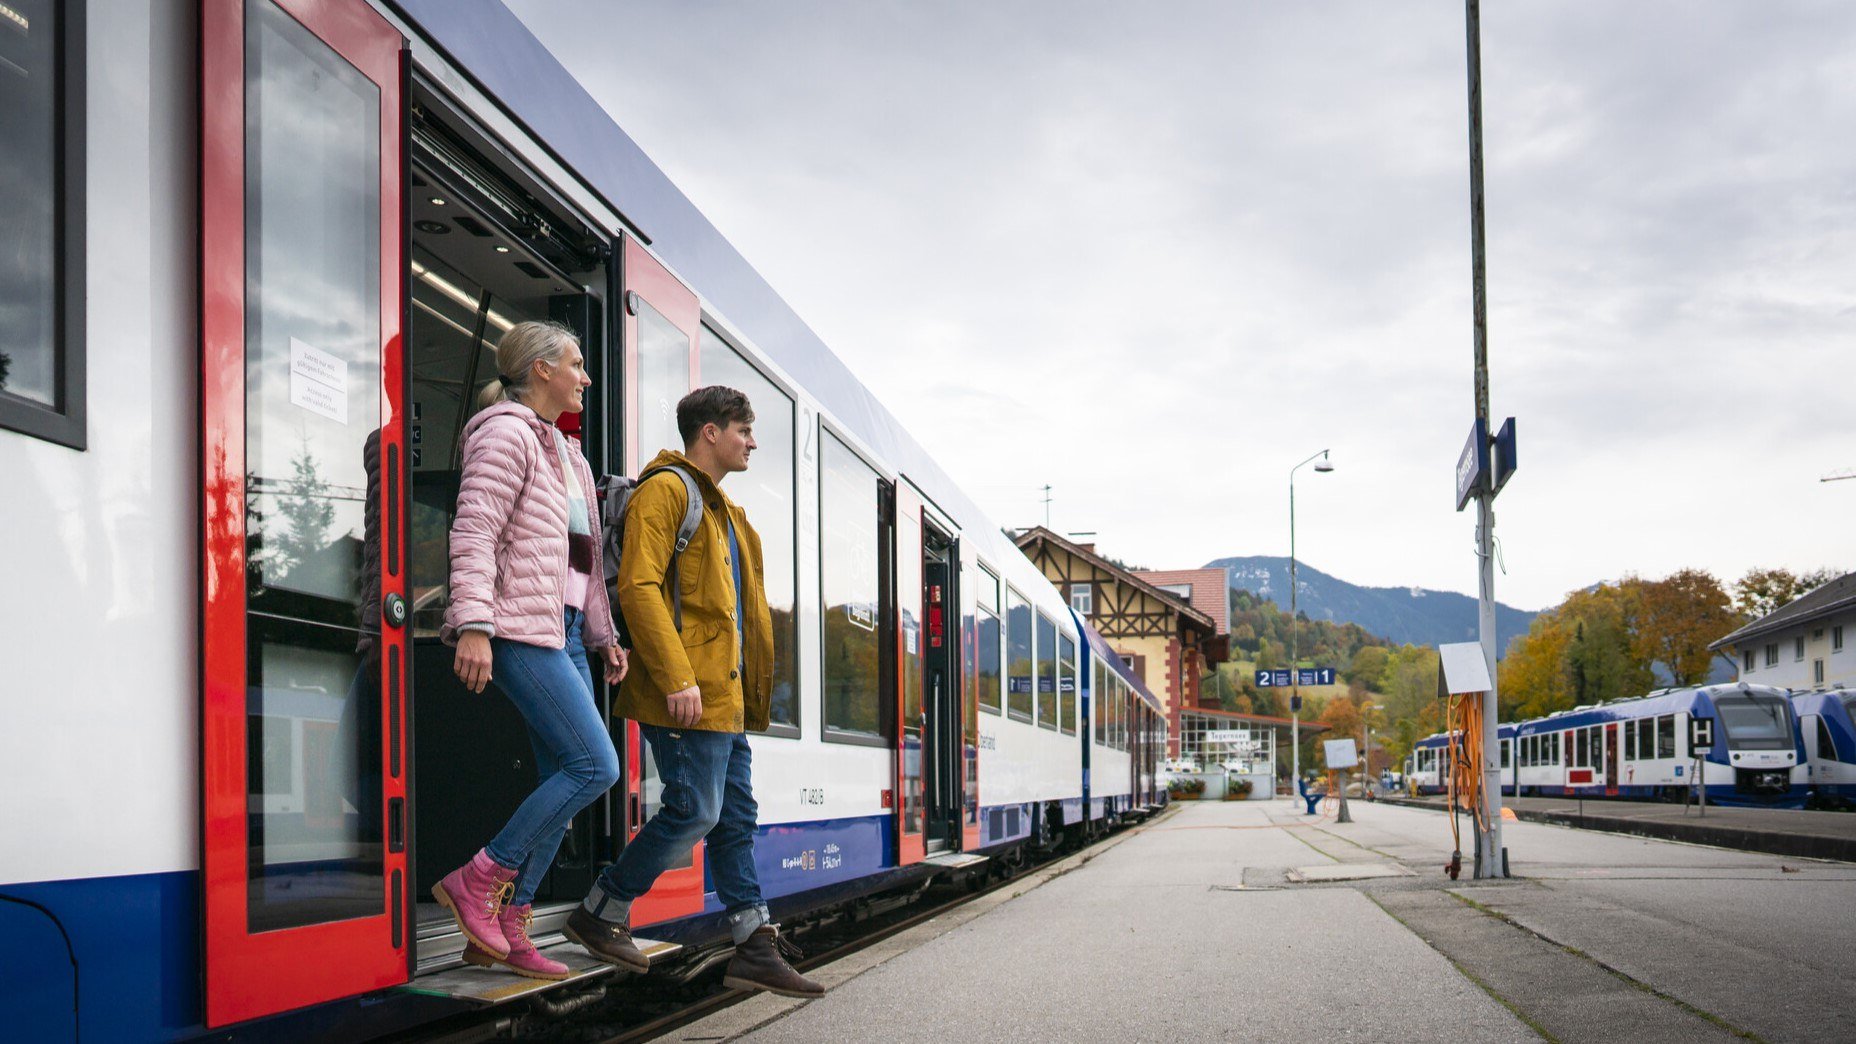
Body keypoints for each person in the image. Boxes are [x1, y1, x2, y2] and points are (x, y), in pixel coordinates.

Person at [563, 386, 823, 999]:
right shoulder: (668, 491)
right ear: (710, 431)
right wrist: (678, 676)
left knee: (735, 819)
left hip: (721, 699)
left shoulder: (727, 515)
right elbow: (639, 587)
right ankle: (601, 909)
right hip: (686, 693)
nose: (752, 441)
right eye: (744, 429)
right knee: (696, 810)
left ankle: (753, 945)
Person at [434, 320, 628, 981]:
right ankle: (478, 879)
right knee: (594, 767)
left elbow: (585, 562)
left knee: (564, 777)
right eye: (577, 363)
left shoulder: (569, 456)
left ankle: (508, 929)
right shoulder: (506, 432)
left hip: (564, 630)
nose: (586, 376)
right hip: (517, 627)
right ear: (541, 370)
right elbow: (476, 529)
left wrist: (602, 636)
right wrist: (475, 625)